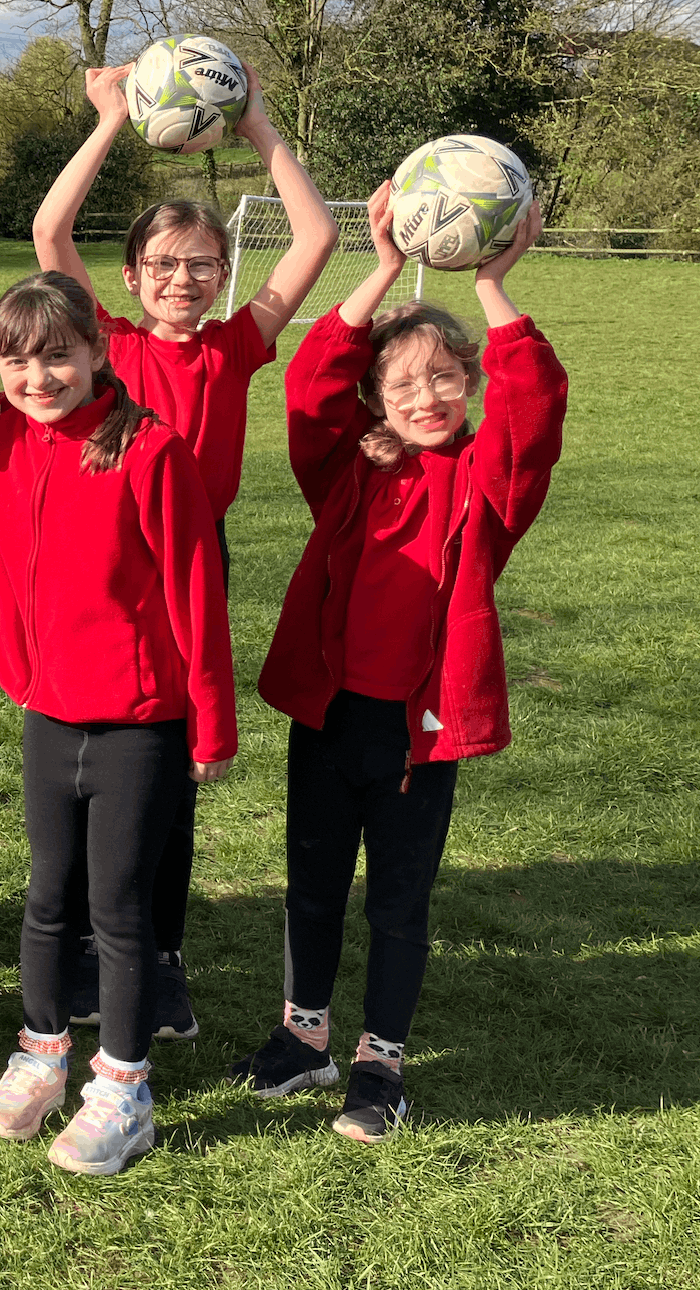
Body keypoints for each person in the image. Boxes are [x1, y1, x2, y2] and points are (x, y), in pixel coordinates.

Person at [233, 190, 565, 1143]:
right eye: (404, 385)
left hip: (420, 733)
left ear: (469, 382)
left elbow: (536, 411)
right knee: (311, 884)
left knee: (397, 901)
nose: (426, 399)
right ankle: (304, 1038)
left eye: (444, 378)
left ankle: (381, 1063)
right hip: (330, 717)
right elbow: (310, 385)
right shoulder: (350, 469)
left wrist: (494, 287)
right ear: (376, 401)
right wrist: (379, 267)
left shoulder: (488, 485)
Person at [32, 61, 339, 1040]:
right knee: (91, 768)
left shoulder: (234, 345)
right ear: (130, 278)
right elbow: (48, 233)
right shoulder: (110, 344)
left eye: (202, 264)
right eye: (163, 264)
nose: (182, 279)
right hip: (104, 570)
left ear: (223, 275)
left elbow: (316, 237)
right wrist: (108, 120)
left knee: (168, 778)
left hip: (192, 568)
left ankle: (159, 955)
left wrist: (258, 125)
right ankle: (86, 945)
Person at [0, 272, 234, 1176]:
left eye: (57, 356)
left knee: (118, 908)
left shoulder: (151, 451)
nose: (38, 377)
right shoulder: (0, 432)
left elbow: (197, 592)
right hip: (48, 714)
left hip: (138, 723)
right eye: (15, 361)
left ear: (97, 350)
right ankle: (42, 1055)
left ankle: (124, 1088)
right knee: (48, 897)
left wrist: (211, 726)